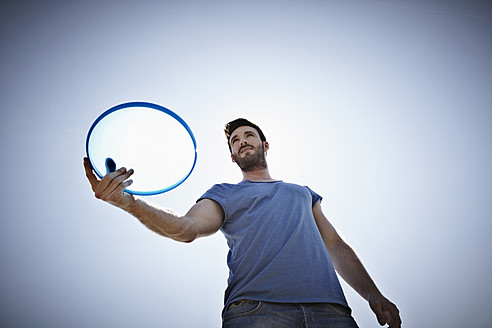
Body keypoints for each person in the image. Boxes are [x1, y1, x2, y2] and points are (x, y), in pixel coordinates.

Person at [83, 118, 401, 328]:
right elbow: (187, 228)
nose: (242, 141)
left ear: (265, 145)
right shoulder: (223, 193)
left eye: (249, 135)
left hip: (332, 312)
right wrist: (129, 203)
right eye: (235, 140)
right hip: (257, 312)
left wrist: (373, 294)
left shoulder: (301, 192)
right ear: (233, 156)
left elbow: (334, 245)